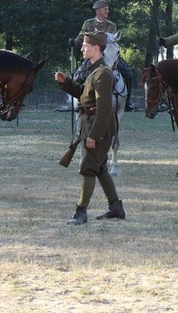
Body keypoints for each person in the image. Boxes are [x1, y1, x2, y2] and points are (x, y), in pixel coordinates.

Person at [55, 31, 125, 225]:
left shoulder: (103, 73)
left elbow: (104, 110)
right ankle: (116, 208)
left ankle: (81, 213)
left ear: (96, 48)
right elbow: (84, 95)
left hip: (98, 128)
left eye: (85, 45)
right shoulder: (94, 70)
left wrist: (94, 135)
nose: (82, 48)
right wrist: (66, 83)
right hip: (91, 124)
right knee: (100, 168)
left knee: (87, 168)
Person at [70, 0, 136, 112]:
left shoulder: (112, 25)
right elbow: (81, 37)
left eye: (107, 9)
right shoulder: (88, 24)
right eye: (105, 9)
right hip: (93, 56)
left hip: (110, 55)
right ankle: (80, 101)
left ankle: (127, 101)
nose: (107, 11)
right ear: (98, 11)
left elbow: (114, 41)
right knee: (80, 76)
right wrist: (74, 43)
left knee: (128, 72)